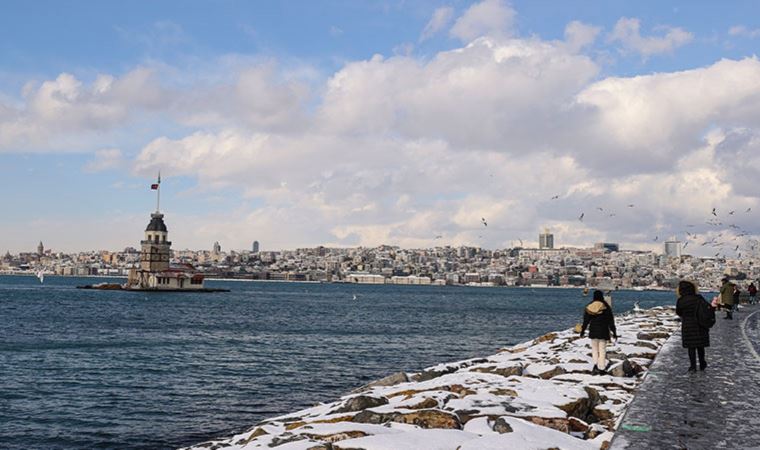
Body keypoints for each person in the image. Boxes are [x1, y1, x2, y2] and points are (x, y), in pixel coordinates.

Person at [675, 280, 710, 372]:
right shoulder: (699, 298)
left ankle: (693, 366)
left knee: (691, 346)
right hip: (700, 324)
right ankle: (702, 363)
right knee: (700, 345)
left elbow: (678, 312)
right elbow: (706, 308)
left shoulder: (681, 300)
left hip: (688, 325)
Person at [580, 290, 617, 375]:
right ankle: (602, 368)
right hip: (603, 330)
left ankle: (595, 365)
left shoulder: (589, 306)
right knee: (602, 349)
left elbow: (586, 321)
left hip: (593, 330)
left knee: (594, 349)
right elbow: (611, 321)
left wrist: (582, 331)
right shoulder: (606, 306)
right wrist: (614, 332)